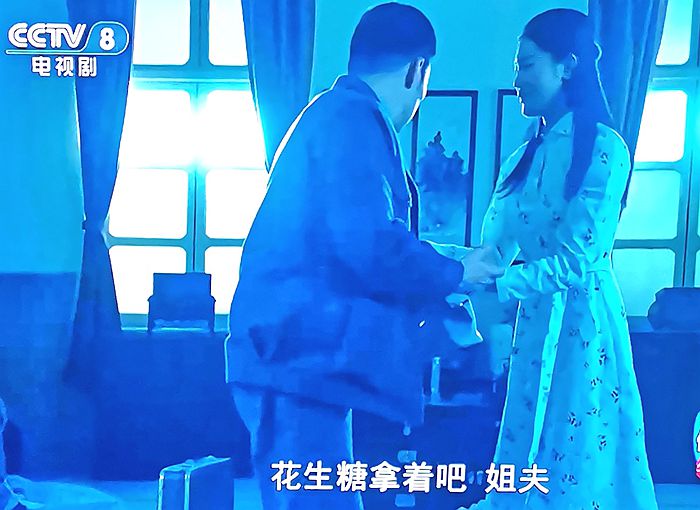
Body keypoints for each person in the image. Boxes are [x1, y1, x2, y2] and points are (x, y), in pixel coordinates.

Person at [226, 3, 502, 509]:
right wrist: (455, 272)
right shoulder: (352, 119)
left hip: (299, 358)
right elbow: (370, 245)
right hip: (297, 361)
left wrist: (450, 261)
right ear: (418, 70)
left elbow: (347, 238)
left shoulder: (334, 114)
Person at [468, 9, 658, 509]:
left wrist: (496, 285)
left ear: (568, 65)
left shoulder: (605, 150)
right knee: (525, 448)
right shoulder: (522, 159)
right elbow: (493, 251)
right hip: (534, 323)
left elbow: (577, 261)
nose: (517, 79)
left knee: (577, 455)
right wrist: (438, 266)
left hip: (584, 323)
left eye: (527, 64)